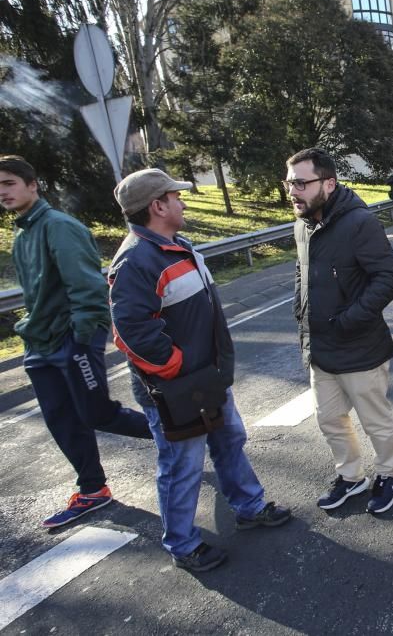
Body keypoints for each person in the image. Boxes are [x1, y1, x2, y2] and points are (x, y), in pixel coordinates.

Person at [109, 168, 291, 572]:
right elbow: (131, 331)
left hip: (207, 380)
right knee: (181, 465)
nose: (183, 202)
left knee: (229, 440)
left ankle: (249, 506)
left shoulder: (178, 245)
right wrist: (178, 368)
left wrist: (207, 369)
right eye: (176, 196)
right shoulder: (136, 260)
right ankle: (183, 544)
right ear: (157, 206)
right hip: (176, 388)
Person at [1, 155, 154, 530]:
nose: (2, 192)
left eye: (8, 183)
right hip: (39, 344)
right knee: (61, 419)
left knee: (96, 413)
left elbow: (87, 288)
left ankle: (176, 437)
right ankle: (92, 490)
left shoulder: (58, 226)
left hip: (70, 339)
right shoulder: (24, 232)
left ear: (32, 184)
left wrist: (81, 341)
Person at [288, 148, 393, 514]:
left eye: (301, 183)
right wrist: (301, 312)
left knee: (375, 422)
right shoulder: (302, 225)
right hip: (320, 348)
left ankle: (389, 475)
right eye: (289, 182)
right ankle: (351, 477)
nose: (293, 191)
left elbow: (389, 278)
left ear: (329, 183)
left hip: (359, 346)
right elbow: (302, 274)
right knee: (330, 420)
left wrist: (349, 320)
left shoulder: (360, 223)